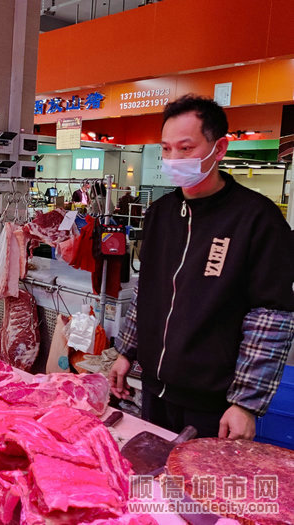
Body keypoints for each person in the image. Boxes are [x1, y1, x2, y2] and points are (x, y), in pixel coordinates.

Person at [109, 94, 294, 440]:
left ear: (219, 148)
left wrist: (246, 403)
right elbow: (145, 293)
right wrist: (126, 352)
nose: (173, 159)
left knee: (198, 492)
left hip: (215, 404)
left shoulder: (256, 219)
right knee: (152, 486)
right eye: (166, 149)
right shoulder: (161, 213)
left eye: (185, 148)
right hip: (154, 392)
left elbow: (271, 316)